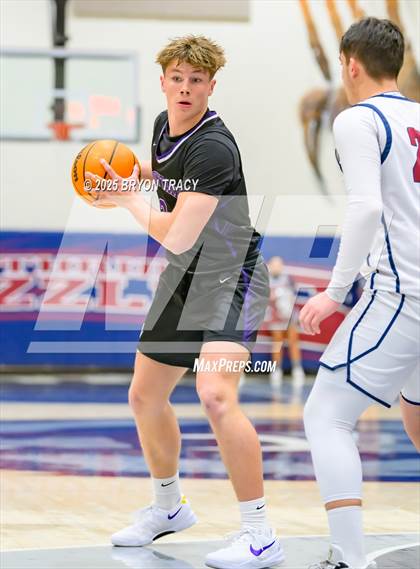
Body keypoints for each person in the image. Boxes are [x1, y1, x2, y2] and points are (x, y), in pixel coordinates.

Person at [86, 35, 284, 569]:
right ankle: (168, 507)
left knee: (215, 395)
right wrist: (138, 175)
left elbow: (176, 235)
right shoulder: (162, 126)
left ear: (211, 87)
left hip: (232, 279)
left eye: (196, 80)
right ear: (163, 81)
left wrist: (127, 199)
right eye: (177, 78)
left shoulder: (215, 146)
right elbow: (174, 181)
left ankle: (260, 533)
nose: (185, 88)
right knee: (144, 396)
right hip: (185, 279)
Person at [300, 17, 419, 569]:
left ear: (350, 64)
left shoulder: (358, 119)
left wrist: (335, 291)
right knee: (416, 415)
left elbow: (366, 207)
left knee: (326, 415)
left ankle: (348, 557)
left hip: (402, 293)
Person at [265, 256, 305, 388]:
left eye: (279, 265)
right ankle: (276, 370)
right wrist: (274, 297)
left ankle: (297, 369)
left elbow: (294, 295)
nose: (276, 267)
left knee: (293, 341)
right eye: (274, 265)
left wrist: (286, 301)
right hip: (275, 316)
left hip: (289, 316)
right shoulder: (265, 279)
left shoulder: (288, 279)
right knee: (277, 342)